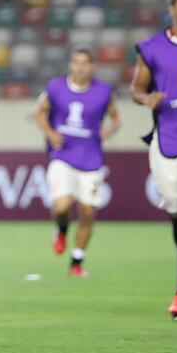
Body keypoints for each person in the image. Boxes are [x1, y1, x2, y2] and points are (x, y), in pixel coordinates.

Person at [131, 0, 177, 320]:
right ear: (172, 8)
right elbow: (136, 89)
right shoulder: (152, 49)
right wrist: (146, 98)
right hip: (167, 142)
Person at [34, 48, 120, 278]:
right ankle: (61, 229)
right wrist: (50, 133)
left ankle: (76, 262)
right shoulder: (55, 87)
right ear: (70, 65)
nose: (80, 67)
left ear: (93, 66)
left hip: (91, 159)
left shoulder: (103, 91)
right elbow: (39, 112)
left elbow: (115, 117)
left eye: (85, 63)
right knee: (62, 206)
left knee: (88, 211)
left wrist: (108, 131)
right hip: (62, 155)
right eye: (76, 62)